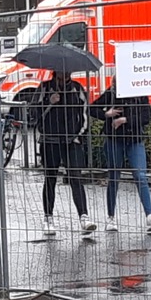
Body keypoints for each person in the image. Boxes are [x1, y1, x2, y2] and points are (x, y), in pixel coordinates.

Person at [92, 77, 151, 234]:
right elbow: (92, 109)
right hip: (114, 139)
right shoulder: (111, 94)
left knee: (140, 176)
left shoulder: (139, 94)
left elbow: (147, 117)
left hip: (134, 139)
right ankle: (111, 218)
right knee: (114, 176)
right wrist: (107, 114)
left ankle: (150, 216)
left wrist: (126, 120)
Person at [33, 71, 96, 235]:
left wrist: (78, 136)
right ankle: (48, 217)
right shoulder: (45, 88)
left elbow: (85, 115)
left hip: (71, 141)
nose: (66, 72)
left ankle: (84, 217)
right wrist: (49, 102)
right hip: (50, 141)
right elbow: (34, 114)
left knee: (76, 177)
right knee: (50, 178)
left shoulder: (77, 89)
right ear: (56, 71)